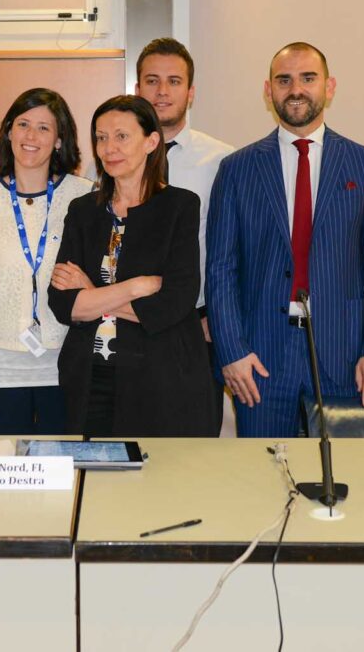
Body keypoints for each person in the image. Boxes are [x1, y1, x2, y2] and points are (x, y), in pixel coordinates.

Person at [207, 42, 364, 438]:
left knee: (342, 480)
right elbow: (221, 269)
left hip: (343, 355)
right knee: (262, 479)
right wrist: (232, 351)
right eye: (284, 80)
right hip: (258, 359)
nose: (296, 89)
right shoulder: (237, 169)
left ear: (329, 87)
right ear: (268, 90)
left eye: (308, 78)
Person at [49, 96, 217, 438]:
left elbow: (174, 302)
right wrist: (134, 287)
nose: (109, 147)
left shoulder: (180, 206)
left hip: (162, 380)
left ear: (151, 142)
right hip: (91, 377)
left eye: (121, 136)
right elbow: (64, 304)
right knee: (95, 485)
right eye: (101, 137)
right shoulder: (83, 211)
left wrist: (93, 295)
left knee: (156, 487)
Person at [0, 88, 91, 434]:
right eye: (23, 124)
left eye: (44, 128)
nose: (31, 136)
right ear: (9, 131)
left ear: (59, 140)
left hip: (66, 364)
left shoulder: (84, 194)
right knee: (4, 474)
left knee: (62, 471)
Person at [133, 37, 235, 432]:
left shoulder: (223, 160)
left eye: (174, 81)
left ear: (190, 93)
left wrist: (219, 316)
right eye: (152, 81)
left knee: (196, 441)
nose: (162, 91)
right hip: (130, 320)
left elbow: (233, 248)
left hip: (198, 325)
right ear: (137, 88)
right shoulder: (113, 157)